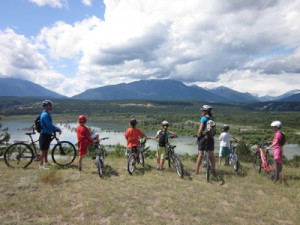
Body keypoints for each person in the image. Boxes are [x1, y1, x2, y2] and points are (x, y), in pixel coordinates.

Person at [193, 105, 216, 174]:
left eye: (202, 111)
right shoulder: (212, 118)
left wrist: (198, 136)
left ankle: (196, 170)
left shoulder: (203, 118)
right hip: (211, 138)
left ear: (206, 111)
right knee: (211, 155)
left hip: (203, 138)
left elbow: (200, 129)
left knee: (200, 154)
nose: (202, 112)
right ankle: (214, 170)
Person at [39, 100, 61, 169]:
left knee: (45, 149)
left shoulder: (47, 113)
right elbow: (49, 125)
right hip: (44, 134)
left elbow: (49, 125)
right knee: (43, 150)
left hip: (47, 134)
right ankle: (41, 165)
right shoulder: (45, 114)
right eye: (50, 105)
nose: (51, 106)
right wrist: (57, 129)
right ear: (46, 106)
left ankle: (46, 162)